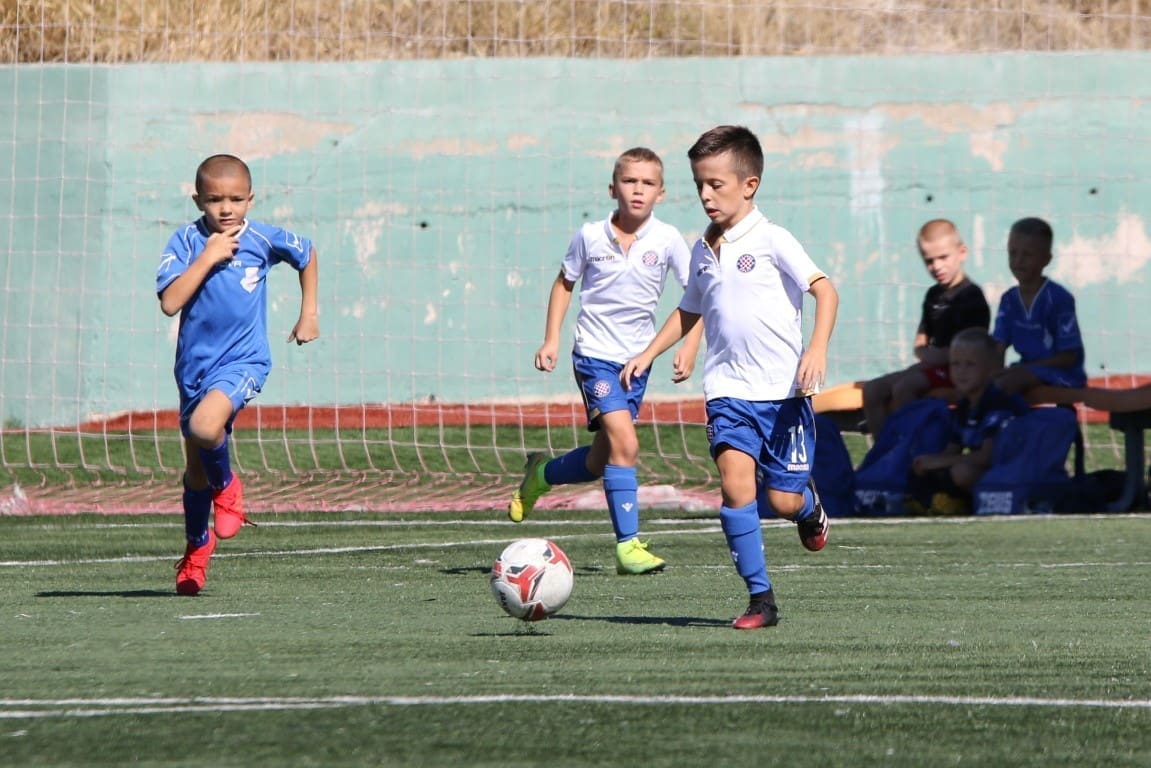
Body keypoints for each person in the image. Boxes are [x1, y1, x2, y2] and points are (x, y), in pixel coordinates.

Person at [621, 125, 839, 629]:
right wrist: (648, 353)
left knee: (782, 500)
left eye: (716, 184)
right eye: (699, 184)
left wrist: (817, 349)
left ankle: (808, 507)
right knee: (736, 489)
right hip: (727, 393)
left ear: (749, 185)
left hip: (783, 397)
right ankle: (761, 599)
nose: (705, 195)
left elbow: (825, 291)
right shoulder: (702, 248)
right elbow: (690, 308)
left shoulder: (773, 239)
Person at [508, 147, 703, 575]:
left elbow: (697, 296)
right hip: (594, 356)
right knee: (626, 444)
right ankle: (628, 546)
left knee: (600, 461)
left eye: (648, 183)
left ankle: (541, 473)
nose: (638, 190)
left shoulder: (668, 239)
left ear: (661, 193)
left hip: (637, 364)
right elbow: (564, 284)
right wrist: (551, 340)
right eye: (630, 181)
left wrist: (689, 346)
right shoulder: (590, 236)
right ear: (613, 188)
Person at [157, 154, 319, 596]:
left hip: (244, 362)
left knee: (204, 426)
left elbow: (306, 253)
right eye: (214, 200)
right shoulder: (186, 241)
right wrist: (208, 256)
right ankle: (197, 547)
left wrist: (309, 313)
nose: (226, 208)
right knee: (194, 472)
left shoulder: (262, 239)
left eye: (235, 199)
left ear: (250, 199)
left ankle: (227, 488)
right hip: (194, 370)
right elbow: (170, 302)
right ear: (198, 200)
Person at [862, 219, 990, 436]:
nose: (937, 266)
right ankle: (884, 450)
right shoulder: (933, 295)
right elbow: (920, 343)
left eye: (943, 257)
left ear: (962, 253)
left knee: (905, 387)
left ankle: (914, 446)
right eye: (929, 260)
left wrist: (936, 357)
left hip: (959, 371)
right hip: (932, 367)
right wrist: (929, 356)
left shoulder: (971, 297)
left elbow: (974, 351)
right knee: (872, 390)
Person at [909, 328, 1029, 515]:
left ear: (992, 369)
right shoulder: (965, 404)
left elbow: (986, 457)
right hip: (982, 469)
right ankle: (928, 500)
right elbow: (953, 448)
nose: (961, 372)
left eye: (970, 365)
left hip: (1010, 473)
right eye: (955, 364)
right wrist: (931, 463)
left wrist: (939, 462)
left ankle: (960, 502)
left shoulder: (999, 402)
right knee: (922, 464)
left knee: (962, 472)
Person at [992, 217, 1086, 396]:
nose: (1018, 260)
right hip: (1025, 369)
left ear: (1046, 259)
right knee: (988, 382)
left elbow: (1069, 357)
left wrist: (1026, 369)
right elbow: (999, 345)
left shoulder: (1059, 298)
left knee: (1009, 382)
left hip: (1063, 375)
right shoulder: (1008, 300)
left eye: (1027, 255)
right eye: (1013, 253)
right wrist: (993, 373)